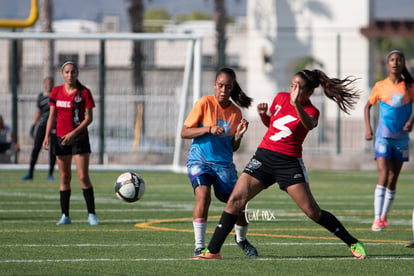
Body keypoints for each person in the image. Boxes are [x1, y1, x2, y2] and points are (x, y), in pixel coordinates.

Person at [193, 69, 367, 260]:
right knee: (235, 201)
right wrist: (263, 116)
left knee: (313, 212)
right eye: (292, 85)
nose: (292, 89)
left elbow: (308, 124)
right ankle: (213, 251)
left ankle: (352, 242)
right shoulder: (280, 97)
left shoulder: (311, 110)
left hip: (288, 163)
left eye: (298, 87)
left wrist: (296, 104)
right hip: (264, 157)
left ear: (309, 93)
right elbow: (275, 125)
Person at [181, 67, 257, 257]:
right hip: (199, 161)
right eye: (220, 85)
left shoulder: (235, 113)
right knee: (203, 195)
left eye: (228, 87)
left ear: (232, 89)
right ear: (215, 85)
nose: (223, 90)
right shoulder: (204, 103)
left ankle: (241, 239)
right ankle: (199, 245)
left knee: (239, 203)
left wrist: (238, 136)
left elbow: (232, 147)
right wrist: (208, 129)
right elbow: (184, 132)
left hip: (223, 166)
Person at [42, 61, 99, 226]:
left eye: (73, 72)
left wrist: (73, 134)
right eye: (67, 72)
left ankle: (91, 214)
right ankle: (65, 216)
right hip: (60, 138)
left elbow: (89, 118)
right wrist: (47, 135)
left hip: (79, 138)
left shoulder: (84, 92)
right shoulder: (56, 91)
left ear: (77, 73)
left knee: (82, 176)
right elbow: (52, 116)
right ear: (62, 74)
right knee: (64, 177)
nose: (70, 75)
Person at [364, 50, 414, 232]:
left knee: (393, 179)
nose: (395, 62)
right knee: (383, 175)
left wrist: (411, 122)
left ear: (403, 64)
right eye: (392, 60)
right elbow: (367, 106)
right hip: (383, 136)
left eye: (399, 60)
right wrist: (368, 129)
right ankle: (377, 218)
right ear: (388, 64)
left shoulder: (409, 86)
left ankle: (384, 216)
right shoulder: (380, 86)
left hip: (401, 139)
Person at [22, 77, 56, 181]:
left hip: (54, 125)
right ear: (44, 85)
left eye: (50, 83)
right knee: (36, 148)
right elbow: (39, 112)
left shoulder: (56, 96)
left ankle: (50, 174)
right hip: (42, 125)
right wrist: (34, 125)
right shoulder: (41, 97)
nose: (48, 85)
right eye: (46, 83)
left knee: (53, 150)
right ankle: (30, 173)